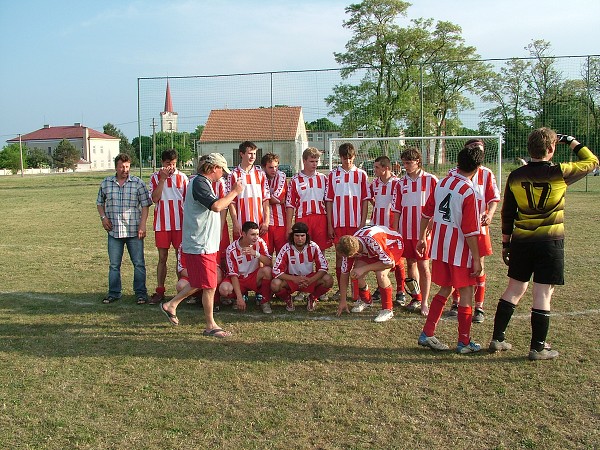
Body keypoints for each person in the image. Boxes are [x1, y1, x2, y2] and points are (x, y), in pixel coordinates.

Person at [489, 129, 598, 360]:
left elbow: (508, 212)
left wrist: (506, 243)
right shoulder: (561, 172)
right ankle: (538, 347)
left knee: (514, 289)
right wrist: (571, 141)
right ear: (551, 149)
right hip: (549, 243)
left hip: (521, 242)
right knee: (543, 293)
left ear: (530, 149)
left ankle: (498, 338)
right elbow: (593, 161)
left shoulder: (516, 175)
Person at [159, 153, 244, 338]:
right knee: (210, 285)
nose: (222, 174)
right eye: (222, 170)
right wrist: (235, 192)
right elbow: (216, 206)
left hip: (205, 243)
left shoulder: (203, 183)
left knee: (201, 282)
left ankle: (171, 305)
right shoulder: (199, 183)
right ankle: (210, 325)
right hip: (200, 243)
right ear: (214, 168)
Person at [416, 144, 484, 354]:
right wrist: (477, 258)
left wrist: (422, 238)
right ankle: (464, 342)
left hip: (440, 246)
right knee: (466, 291)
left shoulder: (443, 182)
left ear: (458, 162)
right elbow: (471, 230)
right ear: (478, 167)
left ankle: (427, 333)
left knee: (445, 288)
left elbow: (426, 213)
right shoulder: (468, 191)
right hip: (459, 249)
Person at [446, 139, 500, 323]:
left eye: (480, 149)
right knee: (457, 263)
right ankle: (455, 302)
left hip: (479, 228)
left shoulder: (487, 173)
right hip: (458, 229)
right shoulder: (453, 173)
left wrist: (490, 214)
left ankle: (479, 307)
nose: (477, 151)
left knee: (479, 265)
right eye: (473, 148)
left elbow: (493, 197)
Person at [96, 153, 153, 304]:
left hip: (134, 230)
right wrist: (103, 218)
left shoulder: (138, 183)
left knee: (139, 263)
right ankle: (114, 292)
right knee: (114, 265)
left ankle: (141, 293)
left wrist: (142, 225)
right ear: (116, 167)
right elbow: (99, 202)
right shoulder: (106, 183)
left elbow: (146, 205)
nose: (125, 169)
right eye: (122, 166)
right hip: (114, 231)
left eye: (127, 166)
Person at [391, 148, 438, 316]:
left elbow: (438, 206)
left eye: (409, 163)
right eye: (404, 163)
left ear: (418, 161)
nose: (406, 166)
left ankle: (425, 302)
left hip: (423, 233)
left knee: (424, 265)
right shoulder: (400, 183)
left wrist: (430, 226)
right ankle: (416, 297)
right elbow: (396, 209)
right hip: (405, 232)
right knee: (410, 263)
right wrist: (395, 232)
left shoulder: (431, 180)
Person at [325, 143, 370, 301]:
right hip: (338, 223)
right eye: (345, 159)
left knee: (356, 257)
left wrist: (362, 223)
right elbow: (329, 200)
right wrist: (330, 224)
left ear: (354, 157)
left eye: (350, 158)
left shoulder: (361, 175)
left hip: (355, 223)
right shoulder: (333, 175)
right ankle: (340, 289)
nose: (347, 162)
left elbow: (365, 200)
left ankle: (356, 292)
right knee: (340, 256)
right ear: (340, 158)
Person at [335, 225, 404, 322]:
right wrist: (343, 301)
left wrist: (364, 268)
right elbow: (344, 274)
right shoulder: (351, 245)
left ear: (355, 254)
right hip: (372, 249)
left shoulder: (374, 241)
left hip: (393, 245)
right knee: (355, 273)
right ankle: (366, 300)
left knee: (381, 275)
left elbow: (389, 263)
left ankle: (387, 310)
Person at [148, 149, 189, 305]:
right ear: (162, 163)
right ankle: (160, 290)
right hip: (162, 225)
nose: (171, 167)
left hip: (180, 225)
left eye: (173, 164)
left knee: (181, 259)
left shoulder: (183, 178)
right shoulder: (154, 178)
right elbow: (155, 198)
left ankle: (182, 292)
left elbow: (188, 201)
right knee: (162, 258)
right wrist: (163, 180)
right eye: (167, 164)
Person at [368, 156, 407, 308]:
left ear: (386, 168)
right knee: (380, 258)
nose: (374, 170)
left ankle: (400, 291)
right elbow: (372, 199)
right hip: (377, 226)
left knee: (397, 260)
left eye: (377, 167)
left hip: (391, 227)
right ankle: (380, 287)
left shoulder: (397, 183)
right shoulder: (375, 183)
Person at [271, 222, 333, 312]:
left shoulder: (313, 246)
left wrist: (311, 280)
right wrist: (294, 279)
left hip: (309, 278)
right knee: (275, 284)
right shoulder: (286, 248)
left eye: (302, 236)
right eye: (297, 236)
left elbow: (323, 267)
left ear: (306, 236)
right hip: (292, 279)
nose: (299, 239)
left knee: (328, 280)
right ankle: (288, 299)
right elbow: (276, 271)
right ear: (292, 236)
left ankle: (312, 298)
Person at [219, 221, 273, 314]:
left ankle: (264, 301)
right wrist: (239, 298)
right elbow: (233, 275)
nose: (256, 237)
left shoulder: (260, 242)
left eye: (257, 234)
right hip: (239, 279)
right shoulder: (231, 249)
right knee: (224, 289)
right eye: (252, 234)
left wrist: (256, 253)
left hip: (253, 277)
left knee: (267, 271)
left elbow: (269, 262)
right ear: (243, 234)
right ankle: (238, 297)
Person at [286, 147, 331, 253]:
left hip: (320, 218)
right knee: (304, 249)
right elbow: (290, 204)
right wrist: (289, 227)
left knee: (320, 250)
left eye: (316, 161)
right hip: (303, 218)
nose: (314, 164)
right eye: (311, 161)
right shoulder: (295, 180)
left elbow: (328, 202)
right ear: (304, 161)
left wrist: (329, 223)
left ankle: (321, 269)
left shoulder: (323, 178)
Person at [227, 141, 270, 240]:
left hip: (259, 223)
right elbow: (231, 202)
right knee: (242, 253)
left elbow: (266, 199)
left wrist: (266, 221)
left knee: (261, 253)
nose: (253, 157)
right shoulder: (233, 175)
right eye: (250, 153)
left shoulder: (261, 174)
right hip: (241, 223)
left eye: (254, 154)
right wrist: (235, 223)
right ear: (241, 154)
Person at [261, 153, 288, 256]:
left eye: (276, 167)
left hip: (280, 222)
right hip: (264, 222)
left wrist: (263, 200)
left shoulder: (281, 175)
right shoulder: (260, 177)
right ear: (264, 167)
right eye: (270, 167)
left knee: (282, 254)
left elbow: (278, 198)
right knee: (266, 254)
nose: (274, 170)